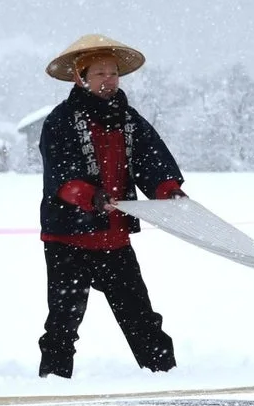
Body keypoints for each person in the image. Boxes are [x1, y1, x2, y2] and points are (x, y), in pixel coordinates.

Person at [36, 33, 186, 378]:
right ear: (81, 78)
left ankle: (165, 376)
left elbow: (153, 162)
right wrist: (91, 196)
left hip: (114, 240)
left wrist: (169, 190)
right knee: (63, 320)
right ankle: (54, 382)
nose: (109, 80)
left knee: (141, 317)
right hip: (67, 241)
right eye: (100, 73)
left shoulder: (130, 120)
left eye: (113, 73)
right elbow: (61, 177)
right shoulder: (59, 121)